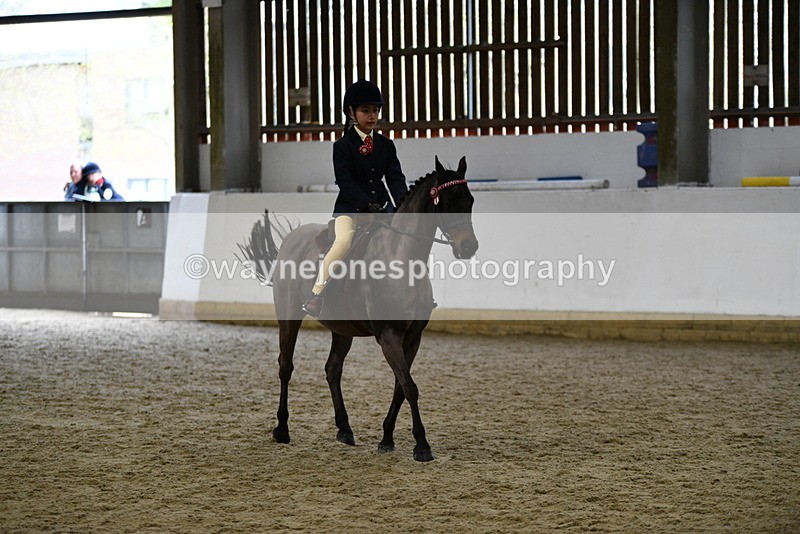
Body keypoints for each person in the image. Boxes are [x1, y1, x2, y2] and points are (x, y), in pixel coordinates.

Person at [302, 80, 408, 317]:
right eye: (365, 111)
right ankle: (317, 294)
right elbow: (345, 182)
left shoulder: (386, 145)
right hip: (350, 210)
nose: (372, 116)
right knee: (344, 242)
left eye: (375, 111)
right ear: (351, 112)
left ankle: (414, 294)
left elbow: (395, 178)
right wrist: (367, 205)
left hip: (382, 208)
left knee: (404, 240)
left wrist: (402, 203)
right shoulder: (342, 146)